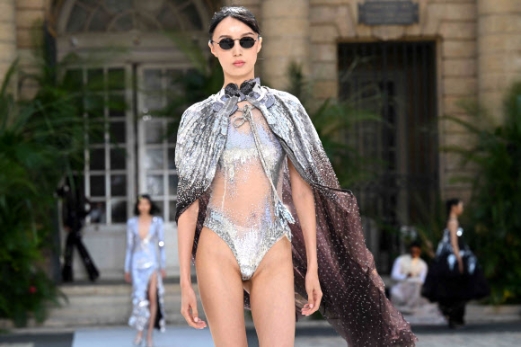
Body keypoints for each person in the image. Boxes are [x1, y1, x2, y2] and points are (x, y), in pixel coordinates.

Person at [175, 6, 417, 347]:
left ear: (259, 44)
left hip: (272, 242)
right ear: (213, 48)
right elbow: (188, 203)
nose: (237, 50)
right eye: (226, 43)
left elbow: (304, 193)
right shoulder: (196, 117)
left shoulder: (286, 108)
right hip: (218, 245)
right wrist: (184, 280)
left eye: (245, 40)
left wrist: (314, 268)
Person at [422, 198, 490, 329]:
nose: (462, 208)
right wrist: (459, 260)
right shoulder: (453, 222)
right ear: (453, 207)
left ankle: (455, 316)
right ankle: (454, 316)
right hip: (454, 258)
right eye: (460, 206)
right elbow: (454, 243)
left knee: (456, 289)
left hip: (453, 257)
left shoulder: (452, 222)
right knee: (459, 288)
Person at [124, 195, 166, 347]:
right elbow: (129, 247)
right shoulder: (131, 223)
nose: (143, 206)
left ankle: (149, 335)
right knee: (139, 299)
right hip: (136, 265)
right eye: (140, 203)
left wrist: (163, 266)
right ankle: (139, 332)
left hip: (152, 264)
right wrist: (126, 268)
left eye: (146, 203)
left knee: (152, 298)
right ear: (137, 206)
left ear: (150, 205)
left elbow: (161, 245)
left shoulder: (157, 222)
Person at [390, 241, 428, 313]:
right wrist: (405, 276)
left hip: (414, 289)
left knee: (416, 285)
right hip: (401, 287)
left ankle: (411, 307)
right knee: (396, 294)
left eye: (416, 251)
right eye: (413, 251)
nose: (414, 253)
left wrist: (412, 279)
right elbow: (394, 275)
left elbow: (422, 280)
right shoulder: (400, 260)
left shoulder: (423, 264)